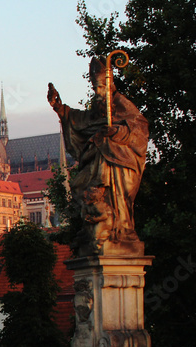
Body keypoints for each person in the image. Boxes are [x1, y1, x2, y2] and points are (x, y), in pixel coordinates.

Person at [48, 57, 148, 255]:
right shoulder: (100, 106)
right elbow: (83, 121)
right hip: (100, 160)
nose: (98, 92)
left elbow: (139, 128)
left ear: (110, 84)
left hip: (120, 163)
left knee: (105, 149)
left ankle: (118, 229)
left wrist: (117, 133)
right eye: (96, 88)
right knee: (79, 184)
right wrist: (60, 109)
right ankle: (93, 228)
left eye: (101, 87)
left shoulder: (120, 103)